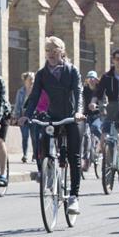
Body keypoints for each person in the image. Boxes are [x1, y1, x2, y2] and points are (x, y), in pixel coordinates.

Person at [19, 36, 85, 214]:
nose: (51, 54)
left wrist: (78, 112)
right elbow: (34, 97)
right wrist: (26, 115)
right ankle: (46, 169)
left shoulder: (71, 71)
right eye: (48, 51)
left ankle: (73, 197)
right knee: (44, 138)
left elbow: (79, 92)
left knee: (74, 156)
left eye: (54, 51)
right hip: (53, 116)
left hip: (72, 118)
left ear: (62, 52)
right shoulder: (42, 74)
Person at [13, 72, 35, 163]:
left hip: (34, 117)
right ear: (25, 80)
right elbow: (18, 105)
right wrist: (16, 116)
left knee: (34, 137)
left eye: (33, 79)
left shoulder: (36, 91)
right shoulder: (21, 91)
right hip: (23, 116)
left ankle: (35, 154)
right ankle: (25, 155)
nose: (32, 81)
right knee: (25, 136)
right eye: (30, 79)